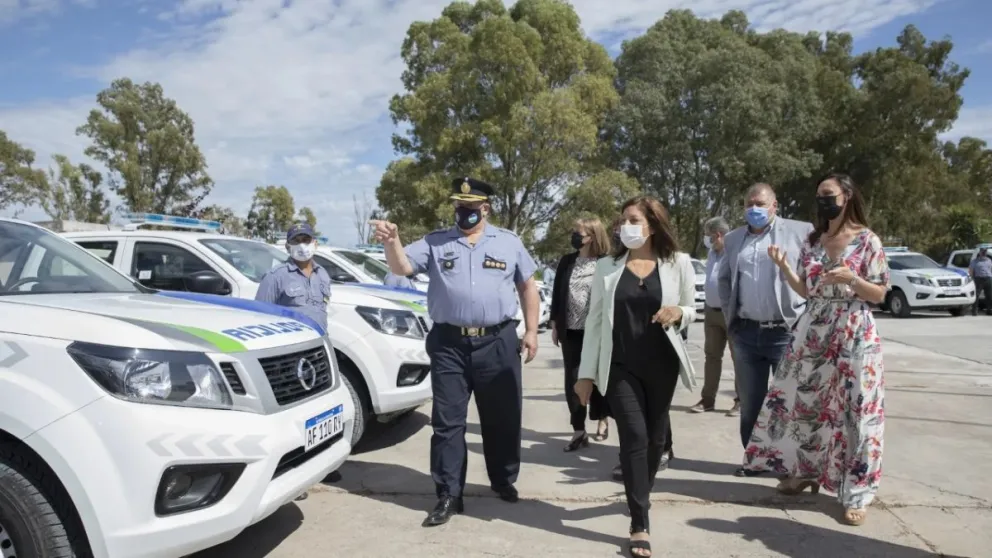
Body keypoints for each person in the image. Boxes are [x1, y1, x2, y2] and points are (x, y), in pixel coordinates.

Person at [371, 177, 541, 528]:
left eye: (470, 207)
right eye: (459, 207)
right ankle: (449, 493)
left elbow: (528, 286)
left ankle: (503, 478)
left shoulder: (508, 242)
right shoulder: (436, 242)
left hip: (498, 340)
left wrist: (533, 331)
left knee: (502, 418)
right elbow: (401, 267)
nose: (463, 213)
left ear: (485, 208)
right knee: (447, 423)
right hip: (449, 343)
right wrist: (393, 242)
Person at [742, 173, 889, 527]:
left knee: (858, 411)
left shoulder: (867, 240)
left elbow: (881, 293)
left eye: (830, 194)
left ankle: (858, 491)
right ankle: (806, 471)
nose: (824, 200)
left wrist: (852, 279)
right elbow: (807, 291)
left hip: (854, 329)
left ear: (847, 196)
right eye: (820, 195)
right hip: (815, 329)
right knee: (808, 406)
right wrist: (785, 269)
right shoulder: (814, 239)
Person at [575, 195, 697, 558]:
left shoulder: (679, 263)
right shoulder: (607, 267)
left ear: (652, 224)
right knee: (634, 436)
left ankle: (639, 490)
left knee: (656, 441)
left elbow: (692, 308)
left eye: (632, 219)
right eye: (622, 220)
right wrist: (585, 374)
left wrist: (678, 312)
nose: (623, 226)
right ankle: (639, 523)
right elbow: (595, 322)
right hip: (620, 367)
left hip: (662, 365)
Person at [717, 183, 814, 477]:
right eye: (749, 203)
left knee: (790, 403)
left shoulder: (801, 231)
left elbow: (812, 274)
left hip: (784, 331)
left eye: (760, 203)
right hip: (746, 334)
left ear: (774, 206)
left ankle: (793, 465)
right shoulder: (734, 239)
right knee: (751, 404)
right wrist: (730, 318)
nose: (753, 208)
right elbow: (724, 280)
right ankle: (754, 460)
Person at [255, 222, 333, 499]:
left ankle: (322, 461)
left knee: (323, 410)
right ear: (288, 246)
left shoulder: (323, 274)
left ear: (315, 243)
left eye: (306, 239)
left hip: (320, 351)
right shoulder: (275, 277)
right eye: (296, 240)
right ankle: (294, 472)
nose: (302, 245)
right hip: (291, 359)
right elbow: (261, 316)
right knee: (295, 417)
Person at [549, 216, 612, 451]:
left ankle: (602, 417)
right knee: (573, 380)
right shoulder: (567, 262)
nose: (575, 237)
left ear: (593, 237)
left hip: (598, 332)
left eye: (580, 233)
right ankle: (578, 429)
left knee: (597, 378)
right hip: (571, 330)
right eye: (574, 232)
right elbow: (557, 295)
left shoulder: (606, 263)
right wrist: (555, 324)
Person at [690, 217, 740, 416]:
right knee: (711, 357)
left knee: (738, 359)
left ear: (717, 235)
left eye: (708, 236)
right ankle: (707, 399)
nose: (707, 240)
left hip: (731, 313)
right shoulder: (711, 253)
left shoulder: (735, 252)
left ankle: (740, 401)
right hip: (711, 312)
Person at [969, 246, 992, 315]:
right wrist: (972, 278)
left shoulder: (989, 260)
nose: (983, 253)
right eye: (982, 252)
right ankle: (974, 311)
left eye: (984, 252)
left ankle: (989, 310)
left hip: (988, 279)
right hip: (978, 279)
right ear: (980, 253)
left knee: (989, 295)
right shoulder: (975, 261)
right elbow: (971, 271)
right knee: (976, 295)